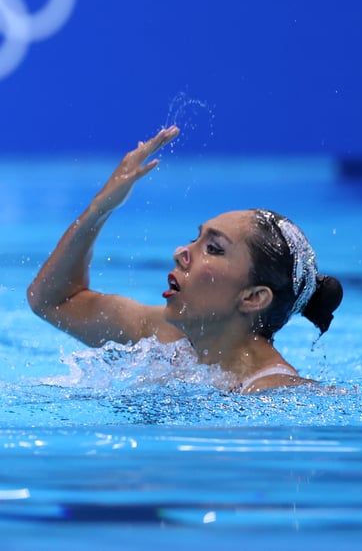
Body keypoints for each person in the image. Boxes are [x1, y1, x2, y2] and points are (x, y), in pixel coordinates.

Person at [27, 126, 343, 393]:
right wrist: (100, 209)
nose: (181, 252)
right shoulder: (167, 340)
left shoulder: (275, 391)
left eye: (214, 248)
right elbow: (52, 301)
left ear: (253, 297)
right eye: (196, 238)